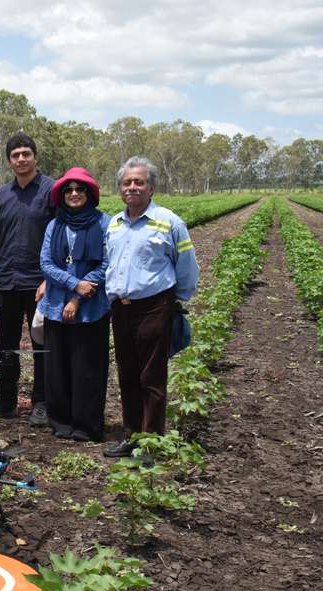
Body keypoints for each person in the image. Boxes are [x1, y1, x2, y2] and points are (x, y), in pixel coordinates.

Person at [103, 157, 199, 457]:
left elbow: (187, 268)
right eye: (127, 182)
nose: (132, 187)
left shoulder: (170, 222)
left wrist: (173, 300)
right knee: (128, 374)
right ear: (120, 189)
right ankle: (131, 437)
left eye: (139, 182)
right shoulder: (115, 224)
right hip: (121, 308)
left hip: (154, 307)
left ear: (151, 187)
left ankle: (151, 444)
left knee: (152, 378)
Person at [38, 168, 110, 443]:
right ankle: (60, 421)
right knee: (58, 366)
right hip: (56, 305)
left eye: (80, 189)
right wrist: (73, 284)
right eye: (68, 190)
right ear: (62, 195)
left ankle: (87, 425)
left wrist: (79, 295)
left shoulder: (104, 223)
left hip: (92, 308)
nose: (74, 194)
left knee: (88, 367)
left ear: (89, 193)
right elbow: (45, 263)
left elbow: (106, 264)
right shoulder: (54, 225)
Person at [0, 133, 53, 425]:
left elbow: (60, 235)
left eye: (26, 153)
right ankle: (6, 399)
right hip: (8, 281)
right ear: (9, 161)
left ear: (35, 157)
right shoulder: (2, 195)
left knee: (41, 345)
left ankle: (42, 402)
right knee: (7, 344)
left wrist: (51, 279)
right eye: (16, 155)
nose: (22, 159)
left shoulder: (51, 190)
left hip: (40, 283)